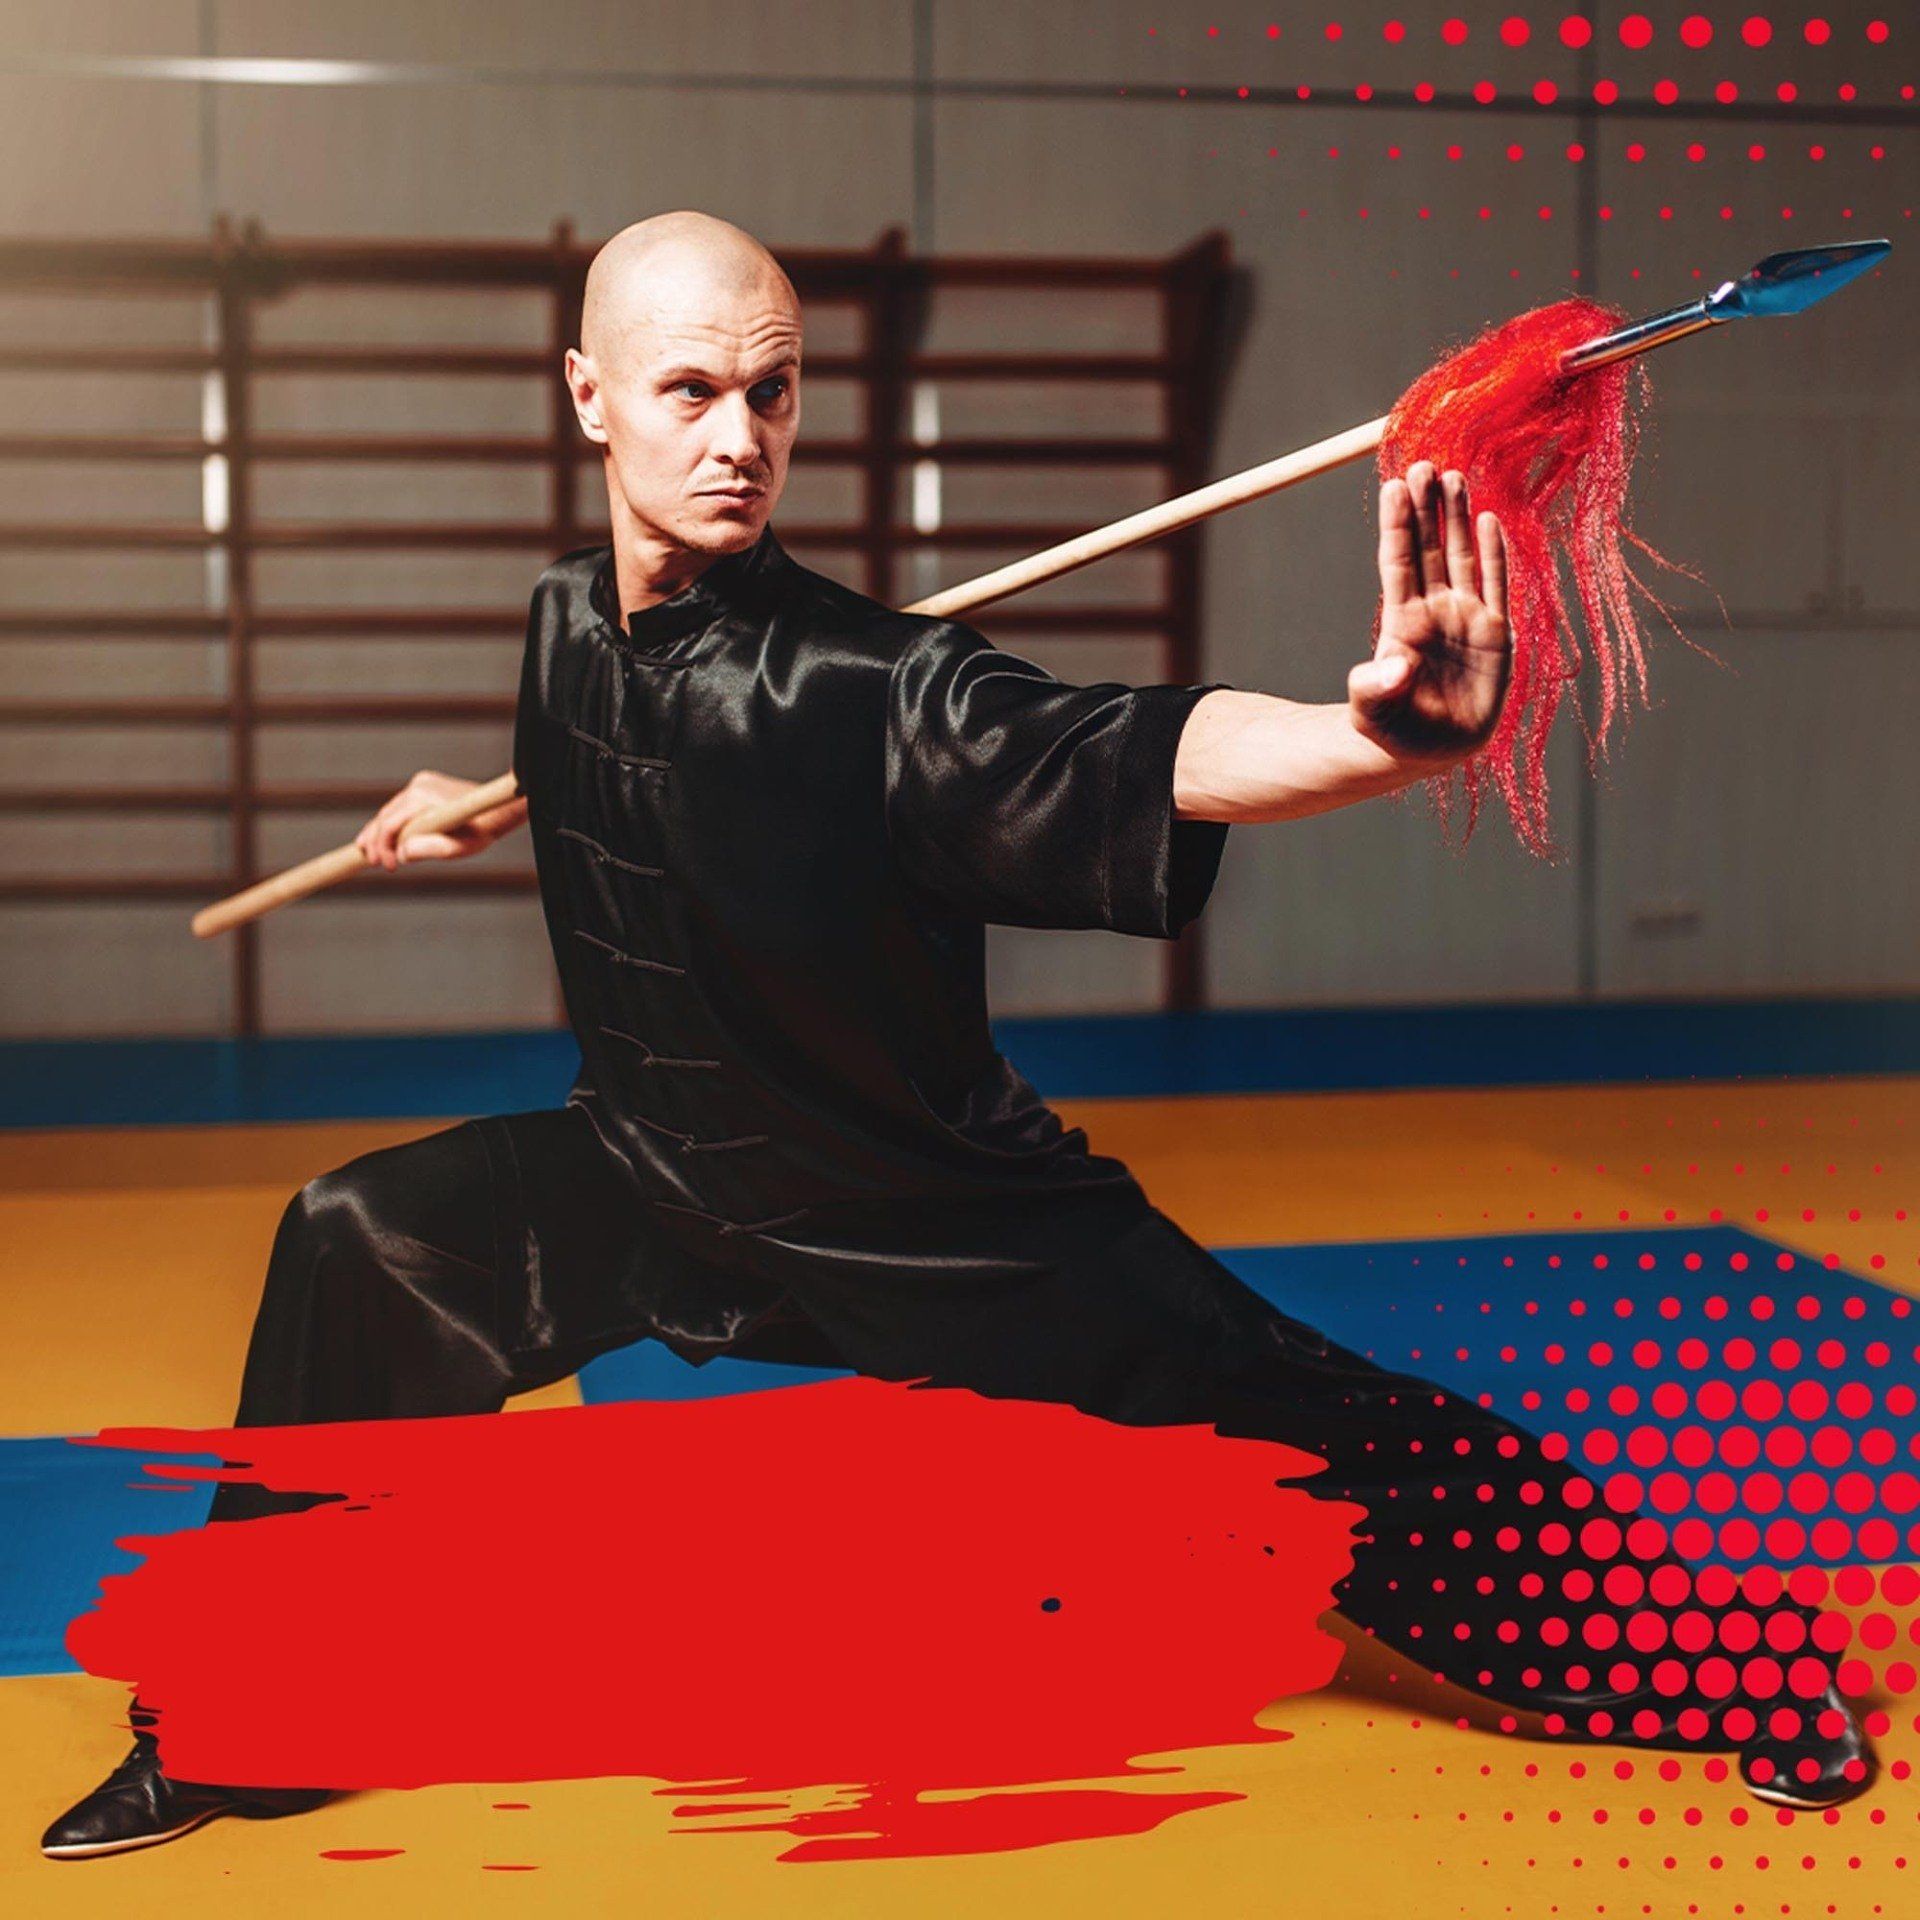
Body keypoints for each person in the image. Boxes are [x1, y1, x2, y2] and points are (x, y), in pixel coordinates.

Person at [42, 212, 1871, 1860]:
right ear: (588, 399)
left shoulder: (878, 689)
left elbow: (1131, 748)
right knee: (363, 1239)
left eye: (773, 393)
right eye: (689, 391)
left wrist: (1378, 735)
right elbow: (602, 731)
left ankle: (1733, 1674)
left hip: (933, 1220)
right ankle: (242, 1720)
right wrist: (471, 794)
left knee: (1329, 1436)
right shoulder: (561, 625)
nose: (738, 437)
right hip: (660, 1171)